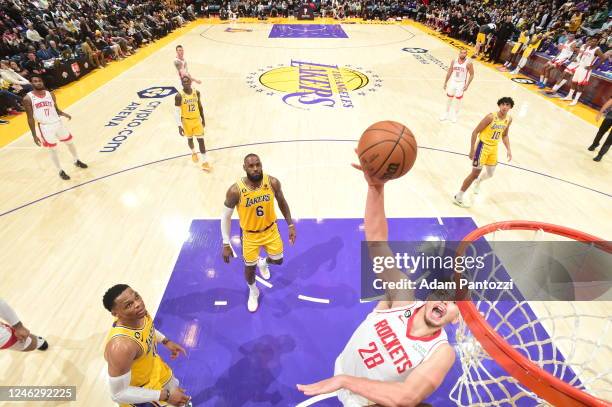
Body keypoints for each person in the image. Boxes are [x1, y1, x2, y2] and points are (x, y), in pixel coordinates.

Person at [297, 158, 459, 406]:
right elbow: (376, 242)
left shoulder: (441, 352)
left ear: (458, 317)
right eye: (441, 295)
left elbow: (406, 397)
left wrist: (345, 381)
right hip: (340, 368)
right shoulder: (402, 297)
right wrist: (376, 186)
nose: (443, 303)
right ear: (429, 297)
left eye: (453, 302)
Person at [221, 154, 296, 312]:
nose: (255, 168)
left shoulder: (272, 182)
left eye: (258, 164)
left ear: (261, 164)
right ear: (244, 168)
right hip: (250, 235)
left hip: (271, 230)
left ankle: (264, 262)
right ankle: (253, 290)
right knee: (249, 268)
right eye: (251, 166)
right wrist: (226, 242)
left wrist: (290, 224)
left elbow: (282, 201)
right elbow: (225, 217)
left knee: (279, 260)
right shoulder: (235, 191)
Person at [103, 284, 192, 407]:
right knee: (172, 398)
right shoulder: (121, 347)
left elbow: (148, 329)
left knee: (178, 396)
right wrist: (165, 396)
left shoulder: (139, 313)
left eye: (137, 297)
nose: (138, 304)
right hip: (141, 391)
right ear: (115, 313)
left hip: (155, 368)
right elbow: (117, 394)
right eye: (129, 305)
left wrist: (166, 341)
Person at [23, 75, 88, 180]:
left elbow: (55, 109)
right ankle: (60, 171)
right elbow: (30, 118)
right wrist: (34, 135)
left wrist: (63, 113)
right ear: (31, 83)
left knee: (70, 142)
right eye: (35, 81)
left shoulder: (50, 94)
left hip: (58, 123)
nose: (38, 83)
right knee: (53, 149)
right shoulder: (27, 98)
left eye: (40, 80)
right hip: (45, 127)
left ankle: (77, 160)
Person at [454, 97, 514, 208]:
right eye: (503, 104)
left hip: (494, 148)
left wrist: (509, 149)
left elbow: (505, 135)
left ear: (510, 107)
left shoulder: (509, 119)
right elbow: (475, 131)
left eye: (507, 105)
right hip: (482, 147)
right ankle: (459, 196)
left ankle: (478, 182)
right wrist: (472, 150)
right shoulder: (491, 117)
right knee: (474, 174)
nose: (505, 107)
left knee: (490, 173)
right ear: (499, 105)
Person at [174, 76, 210, 171]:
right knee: (190, 140)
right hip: (186, 121)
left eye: (187, 81)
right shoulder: (179, 96)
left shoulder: (196, 93)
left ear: (190, 82)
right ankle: (194, 152)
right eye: (184, 82)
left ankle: (205, 162)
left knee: (201, 141)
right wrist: (179, 126)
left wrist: (203, 119)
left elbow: (200, 106)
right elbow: (177, 112)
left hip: (196, 120)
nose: (186, 83)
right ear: (182, 84)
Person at [562, 37, 605, 106]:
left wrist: (593, 66)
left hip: (586, 69)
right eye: (591, 41)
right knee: (573, 82)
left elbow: (603, 58)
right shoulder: (588, 48)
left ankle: (576, 100)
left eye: (594, 41)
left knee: (580, 85)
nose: (592, 42)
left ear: (597, 42)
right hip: (580, 66)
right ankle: (569, 96)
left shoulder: (597, 49)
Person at [441, 49, 474, 123]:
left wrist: (467, 85)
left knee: (458, 100)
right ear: (459, 53)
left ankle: (455, 115)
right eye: (461, 53)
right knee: (449, 97)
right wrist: (445, 82)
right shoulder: (454, 61)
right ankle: (446, 113)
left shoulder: (469, 63)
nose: (463, 54)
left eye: (464, 53)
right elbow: (450, 71)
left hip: (461, 83)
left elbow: (472, 74)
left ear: (466, 54)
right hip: (453, 81)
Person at [588, 95, 612, 162]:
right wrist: (599, 113)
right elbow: (610, 102)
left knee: (609, 139)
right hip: (610, 116)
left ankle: (600, 155)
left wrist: (600, 113)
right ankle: (594, 144)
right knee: (601, 131)